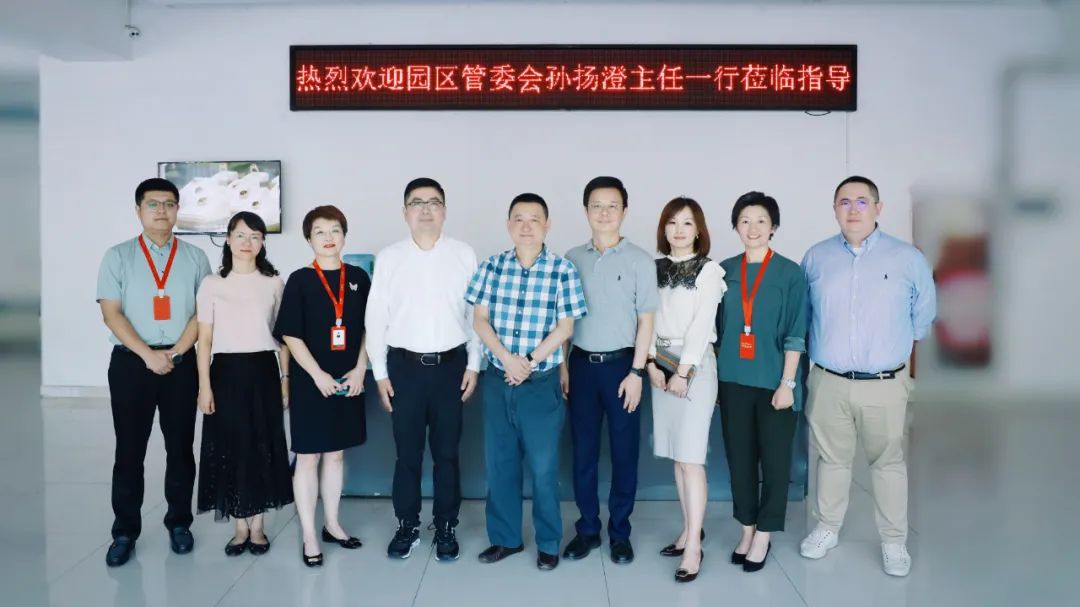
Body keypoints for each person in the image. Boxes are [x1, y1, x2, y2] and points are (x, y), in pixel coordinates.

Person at [799, 176, 936, 577]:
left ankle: (894, 541)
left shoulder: (907, 259)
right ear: (834, 209)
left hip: (884, 384)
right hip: (829, 381)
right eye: (844, 202)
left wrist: (889, 350)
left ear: (879, 208)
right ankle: (827, 528)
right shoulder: (816, 258)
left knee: (888, 462)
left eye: (862, 201)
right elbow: (805, 315)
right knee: (831, 459)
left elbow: (923, 317)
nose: (853, 209)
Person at [465, 193, 587, 571]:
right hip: (498, 380)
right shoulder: (491, 267)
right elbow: (479, 320)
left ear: (547, 225)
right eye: (518, 218)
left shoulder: (562, 270)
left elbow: (565, 327)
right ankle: (506, 539)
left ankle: (548, 542)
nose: (526, 226)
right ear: (508, 225)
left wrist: (529, 362)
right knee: (500, 464)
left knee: (544, 467)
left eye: (534, 219)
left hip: (541, 383)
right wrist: (506, 359)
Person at [96, 177, 212, 567]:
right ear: (138, 210)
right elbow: (111, 313)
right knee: (129, 450)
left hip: (180, 364)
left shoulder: (196, 258)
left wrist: (175, 352)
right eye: (153, 204)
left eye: (169, 204)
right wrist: (147, 355)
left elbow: (202, 315)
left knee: (180, 448)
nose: (161, 211)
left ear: (178, 210)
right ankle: (124, 532)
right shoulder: (117, 256)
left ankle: (179, 523)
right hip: (132, 364)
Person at [365, 178, 481, 562]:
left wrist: (474, 364)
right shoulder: (390, 258)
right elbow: (376, 317)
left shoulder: (463, 254)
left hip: (451, 367)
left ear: (444, 210)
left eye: (434, 202)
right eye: (417, 202)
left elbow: (475, 315)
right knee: (407, 454)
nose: (426, 209)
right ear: (405, 213)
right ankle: (407, 524)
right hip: (404, 369)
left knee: (447, 453)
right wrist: (380, 373)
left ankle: (446, 525)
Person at [561, 176, 657, 565]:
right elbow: (564, 319)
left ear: (624, 211)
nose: (604, 213)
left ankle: (620, 533)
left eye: (612, 205)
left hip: (622, 367)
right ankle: (587, 529)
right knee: (582, 452)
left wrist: (636, 372)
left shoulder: (640, 260)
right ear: (586, 211)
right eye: (596, 206)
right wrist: (563, 366)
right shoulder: (571, 258)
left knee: (624, 453)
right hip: (580, 366)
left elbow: (646, 321)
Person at [715, 192, 807, 573]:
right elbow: (713, 329)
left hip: (775, 385)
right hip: (732, 380)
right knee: (739, 460)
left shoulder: (789, 273)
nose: (752, 228)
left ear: (774, 227)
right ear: (736, 226)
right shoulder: (723, 271)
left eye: (761, 221)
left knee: (774, 460)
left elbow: (796, 332)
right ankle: (747, 528)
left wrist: (788, 383)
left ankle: (765, 534)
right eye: (744, 220)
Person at [274, 205, 371, 567]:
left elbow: (370, 327)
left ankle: (332, 524)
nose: (328, 238)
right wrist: (317, 375)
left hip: (348, 381)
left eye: (335, 230)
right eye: (320, 231)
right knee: (308, 456)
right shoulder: (300, 280)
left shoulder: (358, 277)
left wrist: (360, 368)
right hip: (311, 381)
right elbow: (290, 334)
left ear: (344, 235)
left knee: (336, 454)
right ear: (309, 239)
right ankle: (309, 535)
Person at [195, 211, 294, 556]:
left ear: (263, 242)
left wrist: (285, 380)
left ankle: (259, 526)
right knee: (231, 446)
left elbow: (283, 339)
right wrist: (204, 386)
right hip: (225, 373)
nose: (247, 242)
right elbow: (204, 340)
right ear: (228, 239)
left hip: (264, 371)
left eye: (255, 236)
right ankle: (240, 525)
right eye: (240, 235)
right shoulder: (212, 284)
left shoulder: (274, 283)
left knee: (262, 445)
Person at [646, 197, 725, 583]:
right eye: (672, 222)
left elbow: (701, 324)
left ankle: (694, 545)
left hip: (693, 365)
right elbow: (645, 318)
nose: (679, 230)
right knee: (678, 457)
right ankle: (688, 529)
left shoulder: (709, 270)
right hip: (660, 362)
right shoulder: (653, 267)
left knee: (692, 458)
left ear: (699, 230)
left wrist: (683, 371)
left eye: (687, 223)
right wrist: (650, 362)